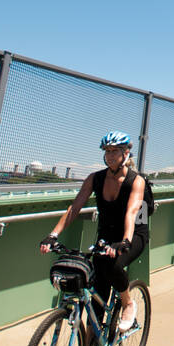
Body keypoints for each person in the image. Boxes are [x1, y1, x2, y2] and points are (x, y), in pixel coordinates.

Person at [40, 131, 148, 332]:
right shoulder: (95, 178)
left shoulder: (136, 181)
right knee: (97, 285)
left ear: (126, 154)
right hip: (106, 237)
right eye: (107, 151)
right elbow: (74, 209)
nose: (110, 155)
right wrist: (53, 235)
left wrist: (125, 241)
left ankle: (127, 304)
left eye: (115, 151)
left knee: (114, 267)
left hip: (133, 235)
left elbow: (132, 213)